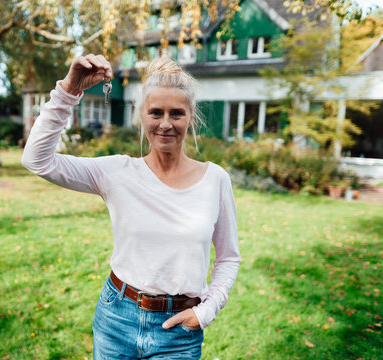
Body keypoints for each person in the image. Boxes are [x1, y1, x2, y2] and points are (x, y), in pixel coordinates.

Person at [21, 54, 240, 359]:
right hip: (116, 318)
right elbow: (37, 160)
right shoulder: (117, 173)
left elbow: (228, 258)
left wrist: (207, 310)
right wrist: (69, 89)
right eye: (155, 113)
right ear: (141, 116)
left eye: (176, 113)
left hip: (179, 330)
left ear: (191, 116)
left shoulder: (215, 179)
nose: (165, 124)